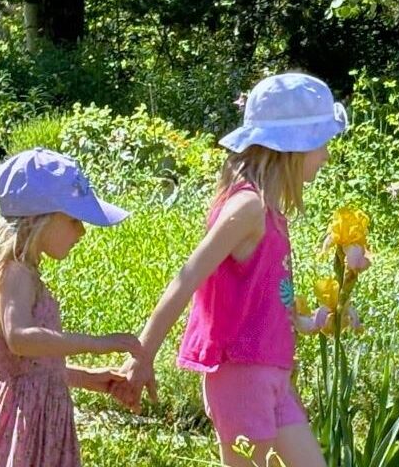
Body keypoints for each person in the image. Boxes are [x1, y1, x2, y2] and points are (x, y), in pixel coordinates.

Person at [125, 72, 349, 467]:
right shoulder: (247, 208)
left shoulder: (271, 210)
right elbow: (186, 280)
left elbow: (257, 295)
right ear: (291, 148)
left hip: (271, 376)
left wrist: (301, 320)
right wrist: (140, 355)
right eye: (322, 143)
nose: (327, 155)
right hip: (242, 376)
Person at [0, 148, 143, 467]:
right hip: (21, 421)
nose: (82, 232)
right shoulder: (16, 271)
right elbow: (20, 339)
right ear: (39, 218)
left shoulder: (22, 272)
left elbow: (24, 368)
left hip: (31, 415)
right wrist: (99, 344)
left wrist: (88, 378)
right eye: (74, 219)